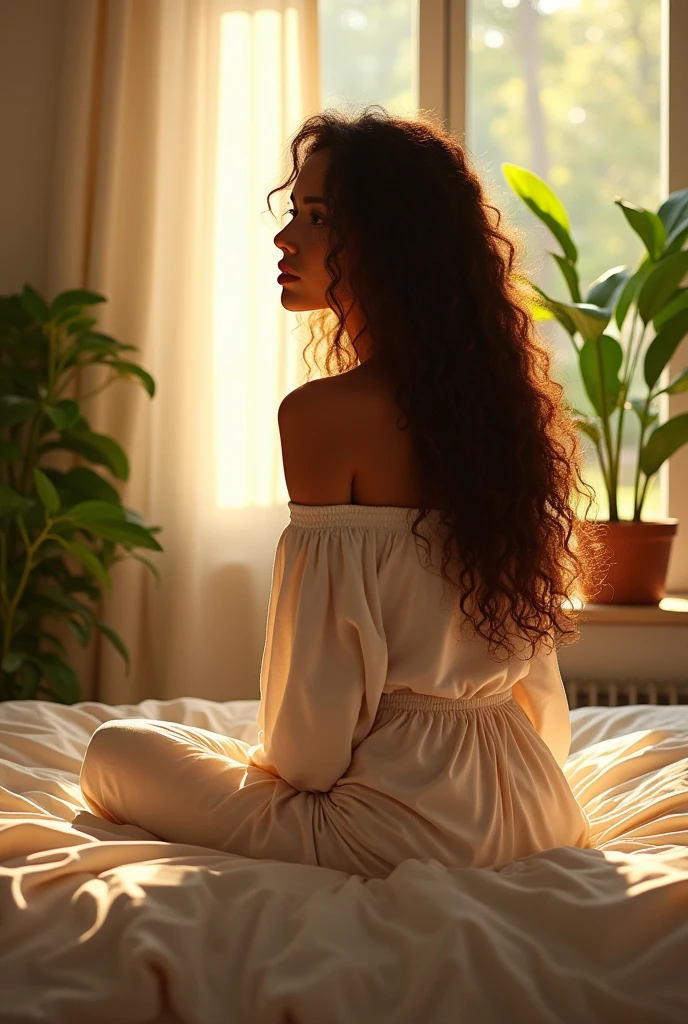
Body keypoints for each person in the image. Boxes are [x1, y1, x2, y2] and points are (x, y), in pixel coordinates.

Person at [79, 106, 608, 879]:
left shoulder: (322, 418)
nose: (285, 238)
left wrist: (298, 770)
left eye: (319, 217)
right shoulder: (502, 419)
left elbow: (307, 755)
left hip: (394, 828)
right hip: (532, 806)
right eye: (294, 211)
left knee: (112, 750)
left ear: (390, 245)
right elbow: (543, 707)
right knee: (186, 748)